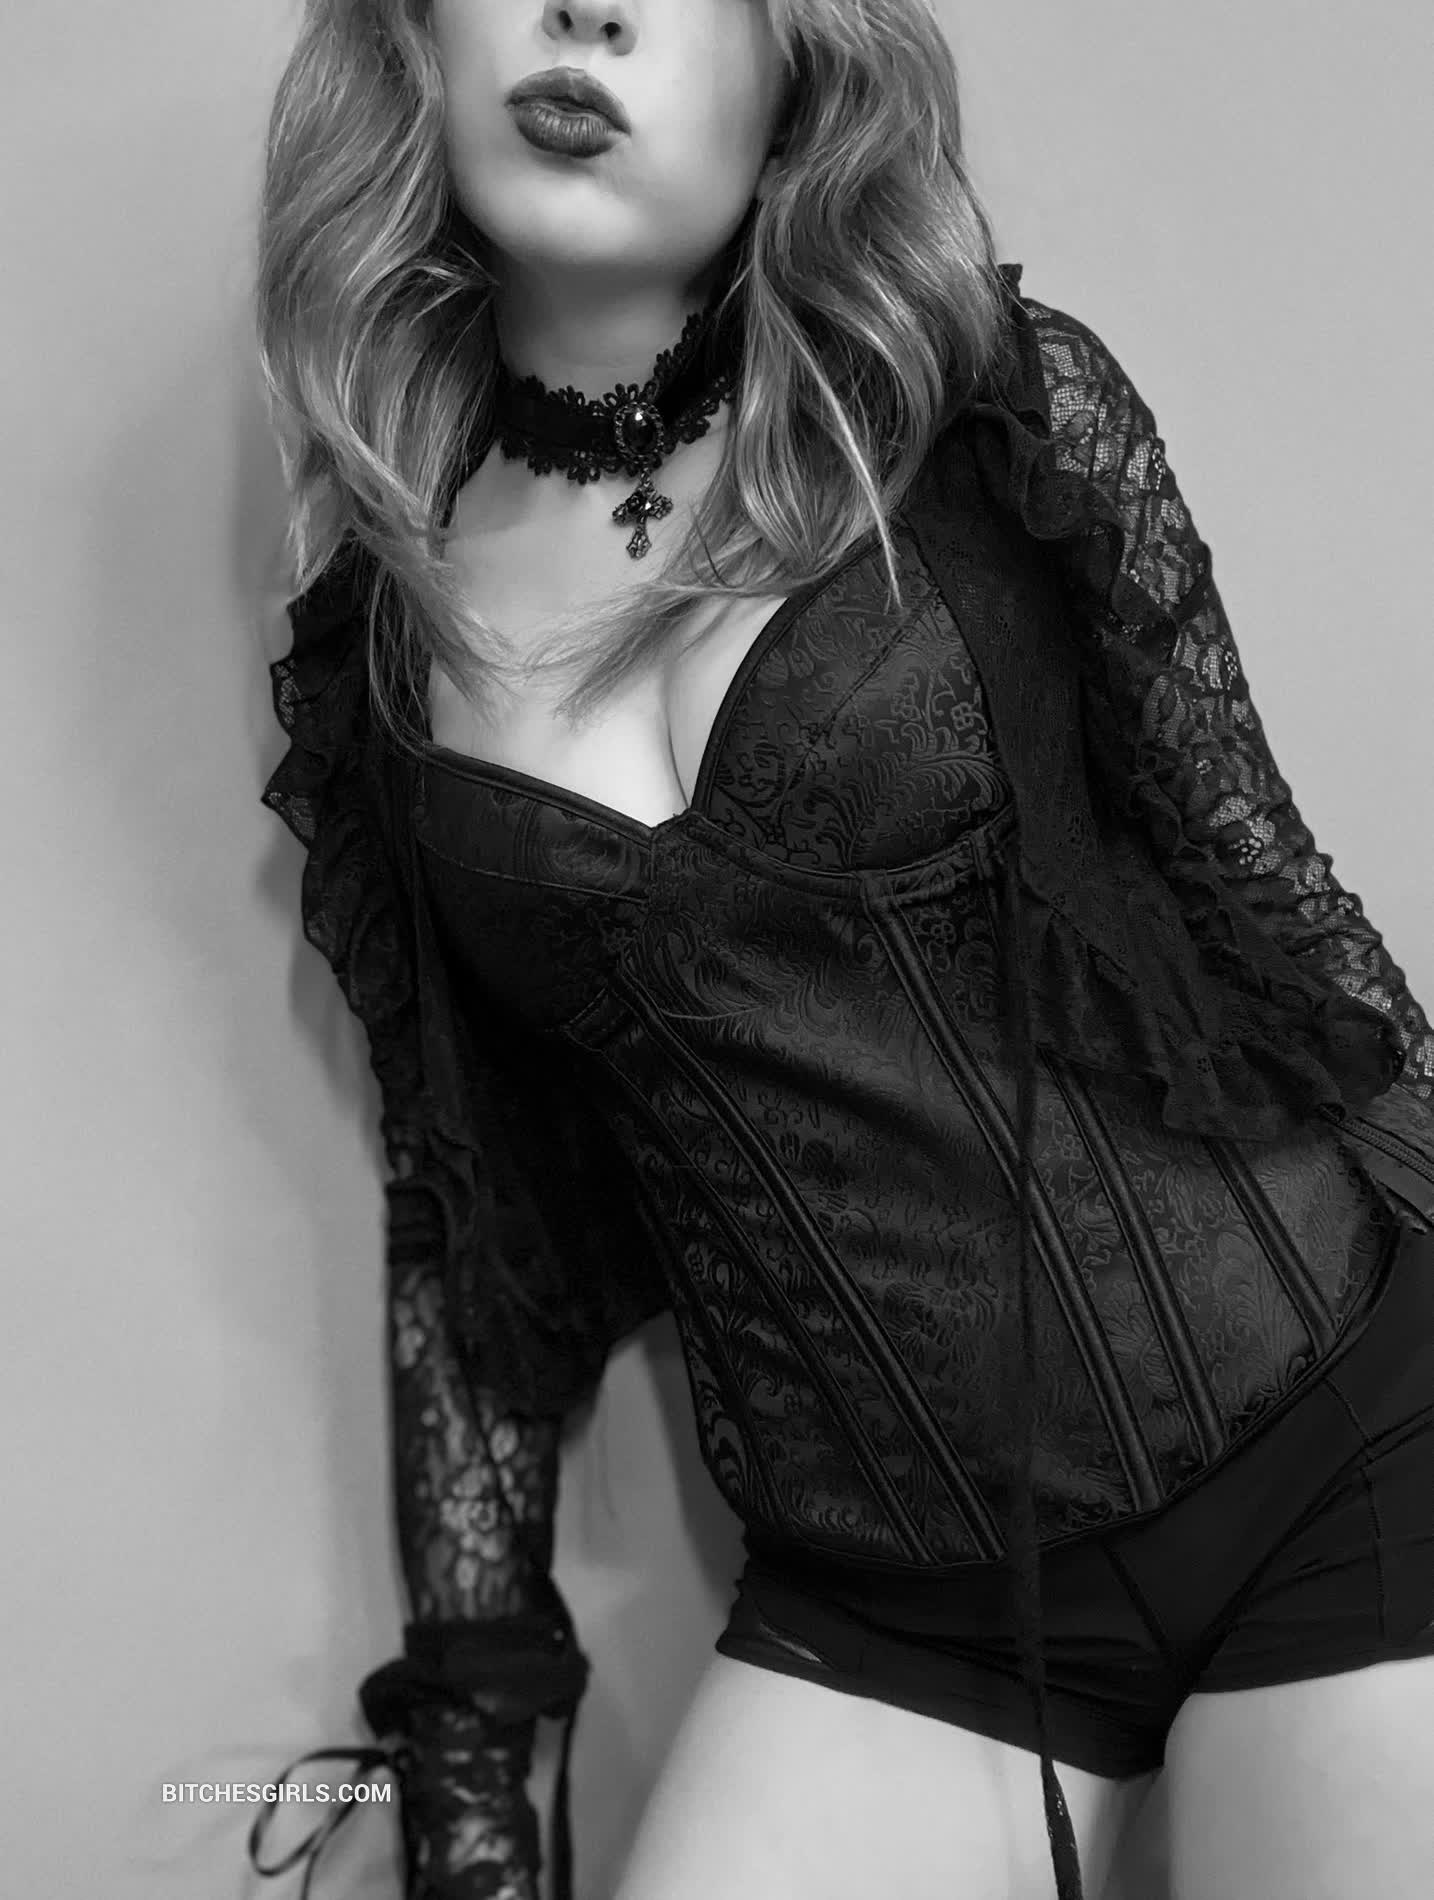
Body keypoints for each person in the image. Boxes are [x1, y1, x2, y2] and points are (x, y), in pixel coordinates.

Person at [244, 3, 1434, 1898]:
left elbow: (1272, 922)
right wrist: (466, 1765)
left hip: (1347, 1449)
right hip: (895, 1607)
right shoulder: (384, 633)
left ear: (796, 63)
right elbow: (471, 1215)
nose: (586, 10)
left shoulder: (980, 414)